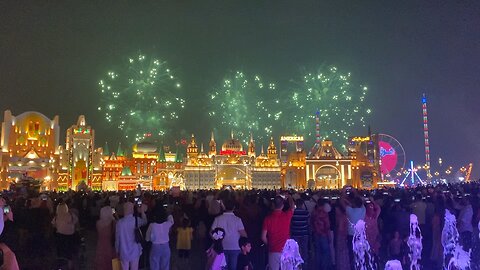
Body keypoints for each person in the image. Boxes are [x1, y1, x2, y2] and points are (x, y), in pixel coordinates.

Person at [211, 199, 247, 270]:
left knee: (222, 268)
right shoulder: (237, 219)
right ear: (234, 207)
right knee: (233, 267)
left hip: (221, 247)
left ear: (224, 206)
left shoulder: (218, 219)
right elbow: (243, 234)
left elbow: (211, 232)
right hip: (235, 247)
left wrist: (217, 241)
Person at [261, 194, 294, 270]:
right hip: (286, 250)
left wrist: (269, 244)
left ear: (273, 205)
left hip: (273, 250)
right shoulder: (287, 216)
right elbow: (292, 207)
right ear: (282, 205)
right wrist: (289, 197)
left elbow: (263, 237)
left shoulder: (268, 219)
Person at [115, 202, 147, 270]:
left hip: (123, 251)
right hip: (135, 250)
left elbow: (117, 239)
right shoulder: (136, 220)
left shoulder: (119, 223)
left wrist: (117, 250)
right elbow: (145, 221)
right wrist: (142, 212)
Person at [52, 202, 79, 269]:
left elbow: (53, 225)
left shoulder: (56, 217)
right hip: (70, 236)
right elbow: (76, 222)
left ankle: (60, 266)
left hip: (60, 236)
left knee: (61, 252)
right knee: (69, 252)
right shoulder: (71, 215)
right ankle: (70, 266)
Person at [146, 206, 174, 270]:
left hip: (155, 246)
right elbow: (171, 220)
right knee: (165, 265)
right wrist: (168, 213)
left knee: (154, 265)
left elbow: (147, 238)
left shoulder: (152, 225)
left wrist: (151, 239)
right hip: (166, 246)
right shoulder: (167, 224)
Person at [311, 199, 332, 269]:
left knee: (317, 252)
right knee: (325, 252)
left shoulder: (314, 212)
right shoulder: (324, 213)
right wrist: (329, 237)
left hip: (316, 234)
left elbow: (311, 223)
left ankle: (318, 267)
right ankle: (324, 267)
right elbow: (327, 226)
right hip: (324, 234)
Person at [290, 199, 310, 270]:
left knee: (296, 251)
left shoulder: (293, 213)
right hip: (304, 233)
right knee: (304, 250)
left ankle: (297, 266)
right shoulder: (306, 213)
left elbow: (291, 223)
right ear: (302, 204)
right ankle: (305, 265)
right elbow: (308, 223)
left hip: (295, 233)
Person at [95, 206, 116, 270]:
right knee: (109, 261)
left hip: (100, 243)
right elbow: (114, 232)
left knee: (101, 261)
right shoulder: (112, 223)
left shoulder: (98, 223)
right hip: (109, 244)